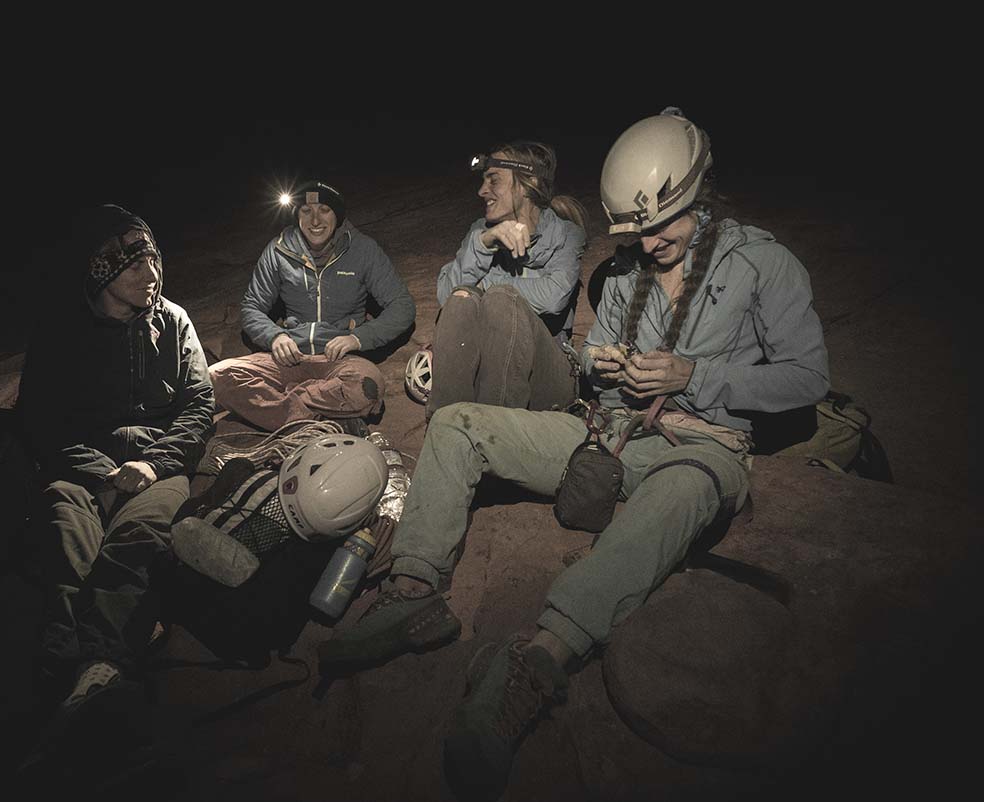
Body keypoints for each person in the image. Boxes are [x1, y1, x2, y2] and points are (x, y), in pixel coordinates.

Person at [318, 110, 830, 800]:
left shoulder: (763, 264)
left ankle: (539, 657)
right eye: (635, 231)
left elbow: (807, 378)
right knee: (460, 424)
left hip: (701, 449)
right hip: (610, 432)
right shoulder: (626, 271)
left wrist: (693, 377)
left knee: (673, 501)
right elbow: (591, 356)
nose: (648, 243)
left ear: (699, 194)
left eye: (661, 226)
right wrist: (605, 360)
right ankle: (414, 591)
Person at [17, 204, 214, 737]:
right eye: (135, 267)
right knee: (65, 523)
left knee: (138, 534)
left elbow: (198, 406)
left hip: (157, 461)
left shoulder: (174, 321)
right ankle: (60, 656)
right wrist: (103, 474)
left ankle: (101, 664)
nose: (151, 276)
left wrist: (153, 464)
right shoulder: (63, 331)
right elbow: (39, 420)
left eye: (153, 262)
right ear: (102, 270)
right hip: (83, 462)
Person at [208, 180, 415, 431]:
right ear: (297, 216)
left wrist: (358, 338)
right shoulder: (278, 250)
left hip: (339, 359)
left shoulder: (362, 250)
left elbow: (402, 305)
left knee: (366, 386)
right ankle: (317, 420)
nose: (315, 220)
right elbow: (252, 306)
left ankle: (280, 412)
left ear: (337, 215)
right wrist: (275, 336)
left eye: (324, 210)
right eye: (306, 211)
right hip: (289, 357)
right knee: (215, 376)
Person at [424, 141, 588, 421]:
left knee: (501, 300)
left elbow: (552, 298)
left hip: (548, 372)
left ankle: (493, 432)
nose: (482, 190)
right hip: (490, 365)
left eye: (494, 180)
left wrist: (486, 285)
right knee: (462, 300)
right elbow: (447, 298)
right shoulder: (480, 231)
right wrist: (483, 244)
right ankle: (444, 427)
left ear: (527, 184)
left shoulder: (567, 235)